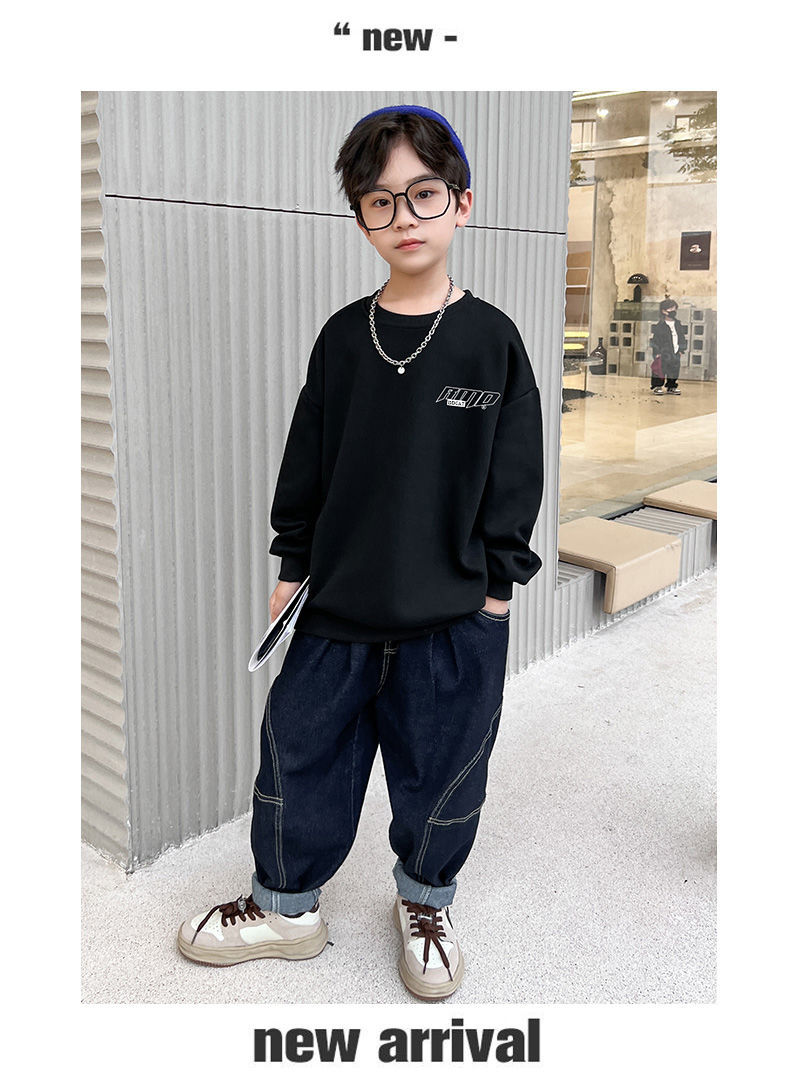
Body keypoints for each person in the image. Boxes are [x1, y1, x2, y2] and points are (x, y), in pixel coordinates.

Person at [176, 105, 545, 1001]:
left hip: (453, 616)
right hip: (336, 606)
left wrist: (495, 592)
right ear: (360, 220)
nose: (404, 216)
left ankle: (424, 903)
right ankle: (284, 908)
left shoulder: (491, 340)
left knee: (444, 773)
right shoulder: (344, 337)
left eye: (424, 193)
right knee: (298, 758)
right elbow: (306, 461)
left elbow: (515, 476)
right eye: (381, 201)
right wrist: (291, 567)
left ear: (462, 203)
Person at [649, 298, 686, 394]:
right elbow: (656, 340)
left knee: (674, 369)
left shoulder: (678, 324)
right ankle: (657, 386)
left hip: (675, 351)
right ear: (664, 311)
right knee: (660, 369)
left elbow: (681, 337)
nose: (673, 311)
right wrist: (657, 352)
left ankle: (671, 386)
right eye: (671, 309)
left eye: (675, 309)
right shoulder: (660, 325)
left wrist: (681, 349)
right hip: (663, 352)